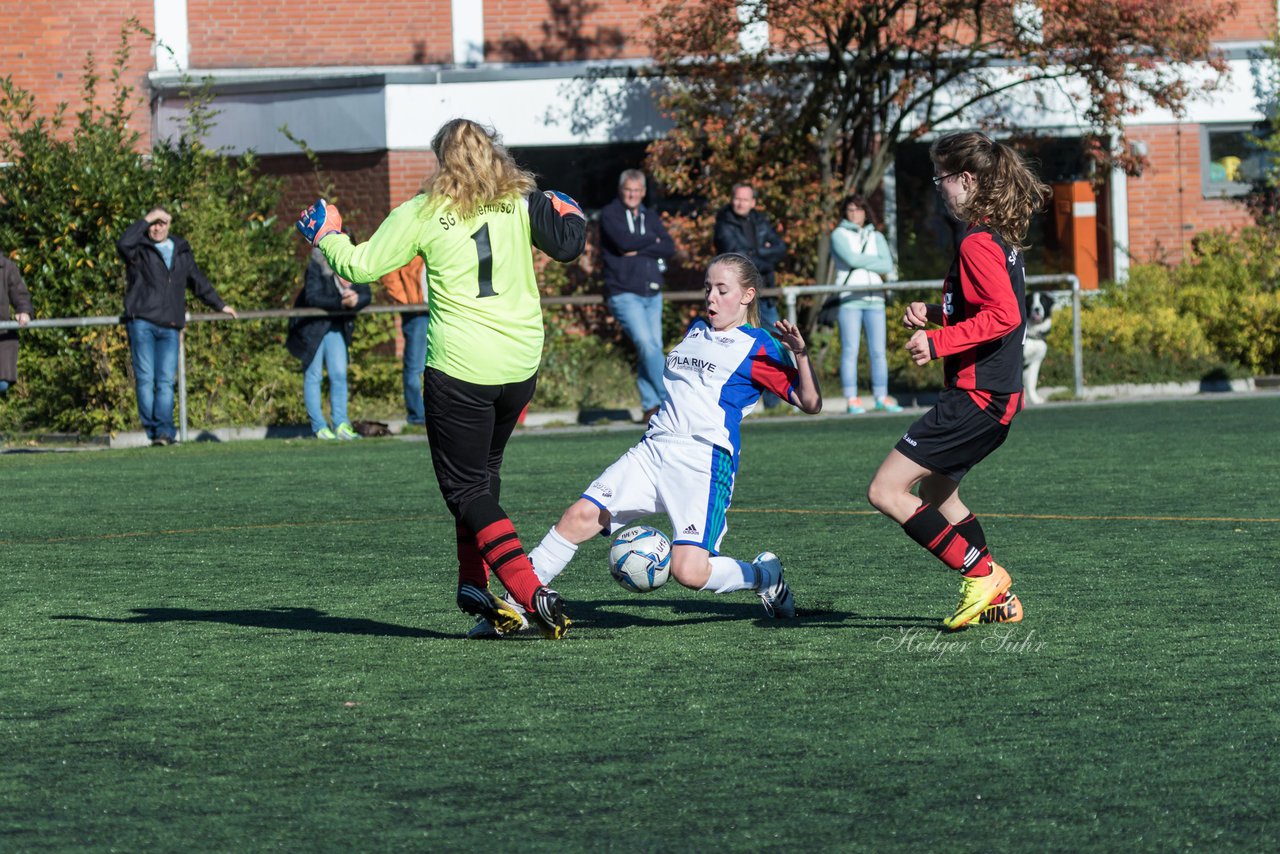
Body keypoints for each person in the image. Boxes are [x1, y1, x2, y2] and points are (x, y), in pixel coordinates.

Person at [296, 117, 587, 639]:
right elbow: (567, 242)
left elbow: (362, 267)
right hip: (520, 366)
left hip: (462, 368)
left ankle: (529, 592)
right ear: (494, 153)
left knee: (465, 489)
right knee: (483, 478)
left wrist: (328, 236)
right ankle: (472, 585)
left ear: (440, 159)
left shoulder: (425, 210)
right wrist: (573, 212)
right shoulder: (519, 201)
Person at [471, 253, 823, 638]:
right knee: (578, 518)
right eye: (708, 289)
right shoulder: (696, 329)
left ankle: (764, 576)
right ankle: (515, 607)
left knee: (689, 571)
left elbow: (811, 403)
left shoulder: (758, 345)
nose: (711, 298)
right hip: (652, 449)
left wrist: (800, 355)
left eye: (723, 290)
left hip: (702, 461)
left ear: (747, 296)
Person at [866, 131, 1049, 630]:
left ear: (966, 179)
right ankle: (998, 599)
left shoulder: (976, 242)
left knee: (885, 491)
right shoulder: (993, 234)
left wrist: (938, 342)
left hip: (977, 398)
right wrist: (934, 312)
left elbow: (1004, 316)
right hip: (995, 398)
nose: (938, 188)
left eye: (941, 179)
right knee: (939, 495)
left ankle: (981, 575)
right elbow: (983, 305)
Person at [116, 207, 238, 446]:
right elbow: (123, 243)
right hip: (142, 321)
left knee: (165, 381)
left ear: (169, 225)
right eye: (153, 224)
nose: (157, 228)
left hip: (170, 324)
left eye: (161, 223)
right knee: (145, 378)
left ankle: (164, 432)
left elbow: (197, 281)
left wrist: (220, 305)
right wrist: (147, 218)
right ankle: (153, 430)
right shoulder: (139, 248)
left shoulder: (180, 250)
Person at [599, 169, 675, 422]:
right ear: (622, 191)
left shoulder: (649, 215)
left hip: (652, 292)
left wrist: (640, 244)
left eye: (637, 191)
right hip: (624, 292)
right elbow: (624, 243)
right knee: (647, 344)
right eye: (628, 190)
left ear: (643, 192)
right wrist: (650, 242)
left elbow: (669, 246)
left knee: (650, 347)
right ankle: (671, 399)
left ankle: (650, 406)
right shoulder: (610, 214)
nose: (632, 195)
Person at [713, 183, 787, 407]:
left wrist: (755, 254)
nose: (740, 203)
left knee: (773, 340)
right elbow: (737, 258)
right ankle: (736, 398)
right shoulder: (723, 222)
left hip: (764, 291)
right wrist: (760, 254)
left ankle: (775, 401)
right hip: (735, 293)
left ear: (753, 202)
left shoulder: (761, 220)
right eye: (737, 198)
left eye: (745, 200)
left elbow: (780, 248)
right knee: (735, 342)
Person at [286, 247, 372, 440]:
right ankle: (319, 427)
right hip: (312, 326)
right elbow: (312, 296)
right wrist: (341, 302)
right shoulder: (317, 263)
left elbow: (366, 293)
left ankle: (341, 424)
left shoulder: (353, 264)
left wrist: (356, 300)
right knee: (314, 375)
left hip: (335, 326)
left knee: (339, 374)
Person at [829, 194, 903, 415]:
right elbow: (851, 260)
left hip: (875, 299)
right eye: (850, 210)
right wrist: (875, 263)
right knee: (850, 350)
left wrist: (873, 264)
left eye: (858, 209)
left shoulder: (876, 235)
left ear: (865, 211)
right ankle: (852, 398)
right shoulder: (838, 234)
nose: (854, 214)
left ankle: (882, 396)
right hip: (850, 298)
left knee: (878, 351)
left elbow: (887, 264)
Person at [379, 256, 429, 428]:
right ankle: (417, 417)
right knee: (415, 367)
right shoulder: (409, 244)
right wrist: (407, 300)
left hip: (443, 310)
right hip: (417, 313)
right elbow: (388, 273)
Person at [0, 253, 33, 395]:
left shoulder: (6, 267)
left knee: (2, 384)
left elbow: (20, 294)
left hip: (2, 336)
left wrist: (24, 311)